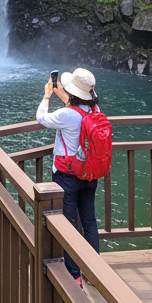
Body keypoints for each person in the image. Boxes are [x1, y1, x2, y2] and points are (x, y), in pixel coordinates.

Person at [36, 68, 101, 286]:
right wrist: (61, 94)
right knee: (89, 220)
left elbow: (41, 118)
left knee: (68, 224)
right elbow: (78, 107)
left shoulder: (67, 115)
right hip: (91, 174)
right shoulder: (96, 111)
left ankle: (74, 276)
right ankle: (94, 272)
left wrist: (46, 97)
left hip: (68, 175)